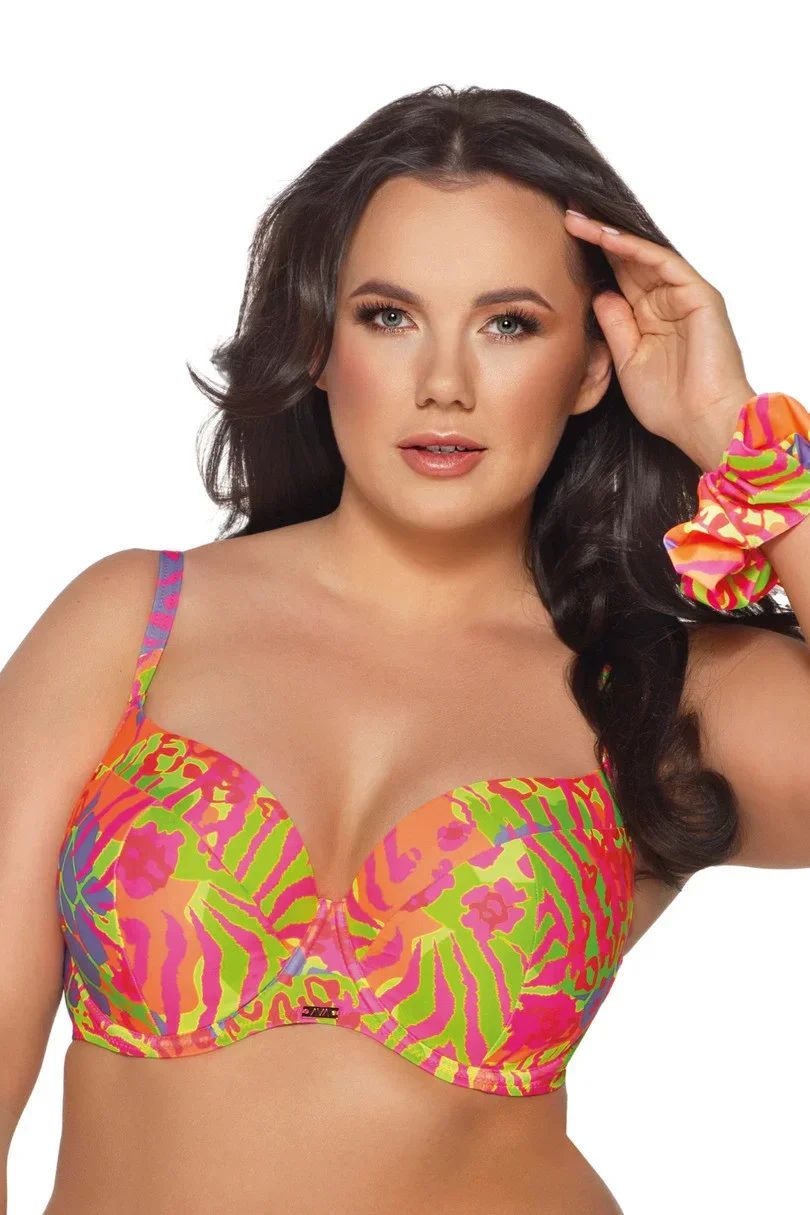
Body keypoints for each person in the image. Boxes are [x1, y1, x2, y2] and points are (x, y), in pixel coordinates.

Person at [2, 83, 810, 1215]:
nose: (444, 383)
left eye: (509, 324)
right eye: (389, 315)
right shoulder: (137, 621)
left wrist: (734, 434)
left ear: (592, 367)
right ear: (319, 342)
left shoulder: (659, 690)